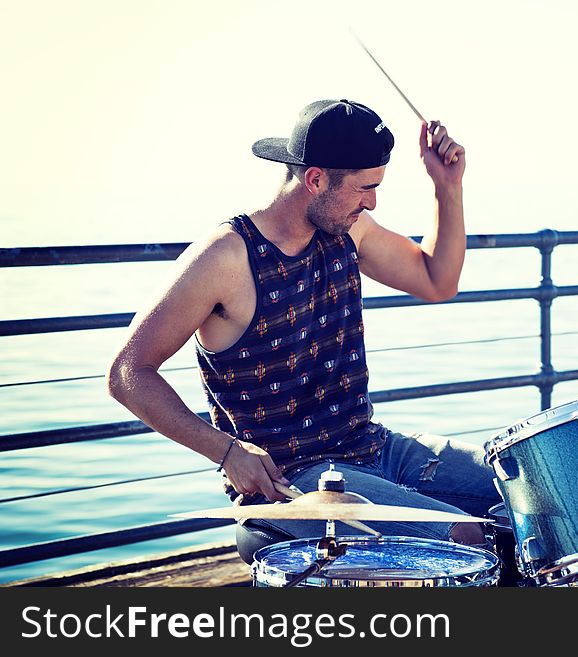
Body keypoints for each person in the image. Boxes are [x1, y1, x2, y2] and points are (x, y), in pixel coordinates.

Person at [106, 99, 501, 563]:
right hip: (293, 479)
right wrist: (228, 452)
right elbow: (128, 372)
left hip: (374, 446)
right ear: (315, 180)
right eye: (363, 188)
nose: (371, 201)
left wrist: (447, 188)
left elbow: (437, 281)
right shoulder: (225, 258)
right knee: (465, 541)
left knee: (533, 486)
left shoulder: (348, 231)